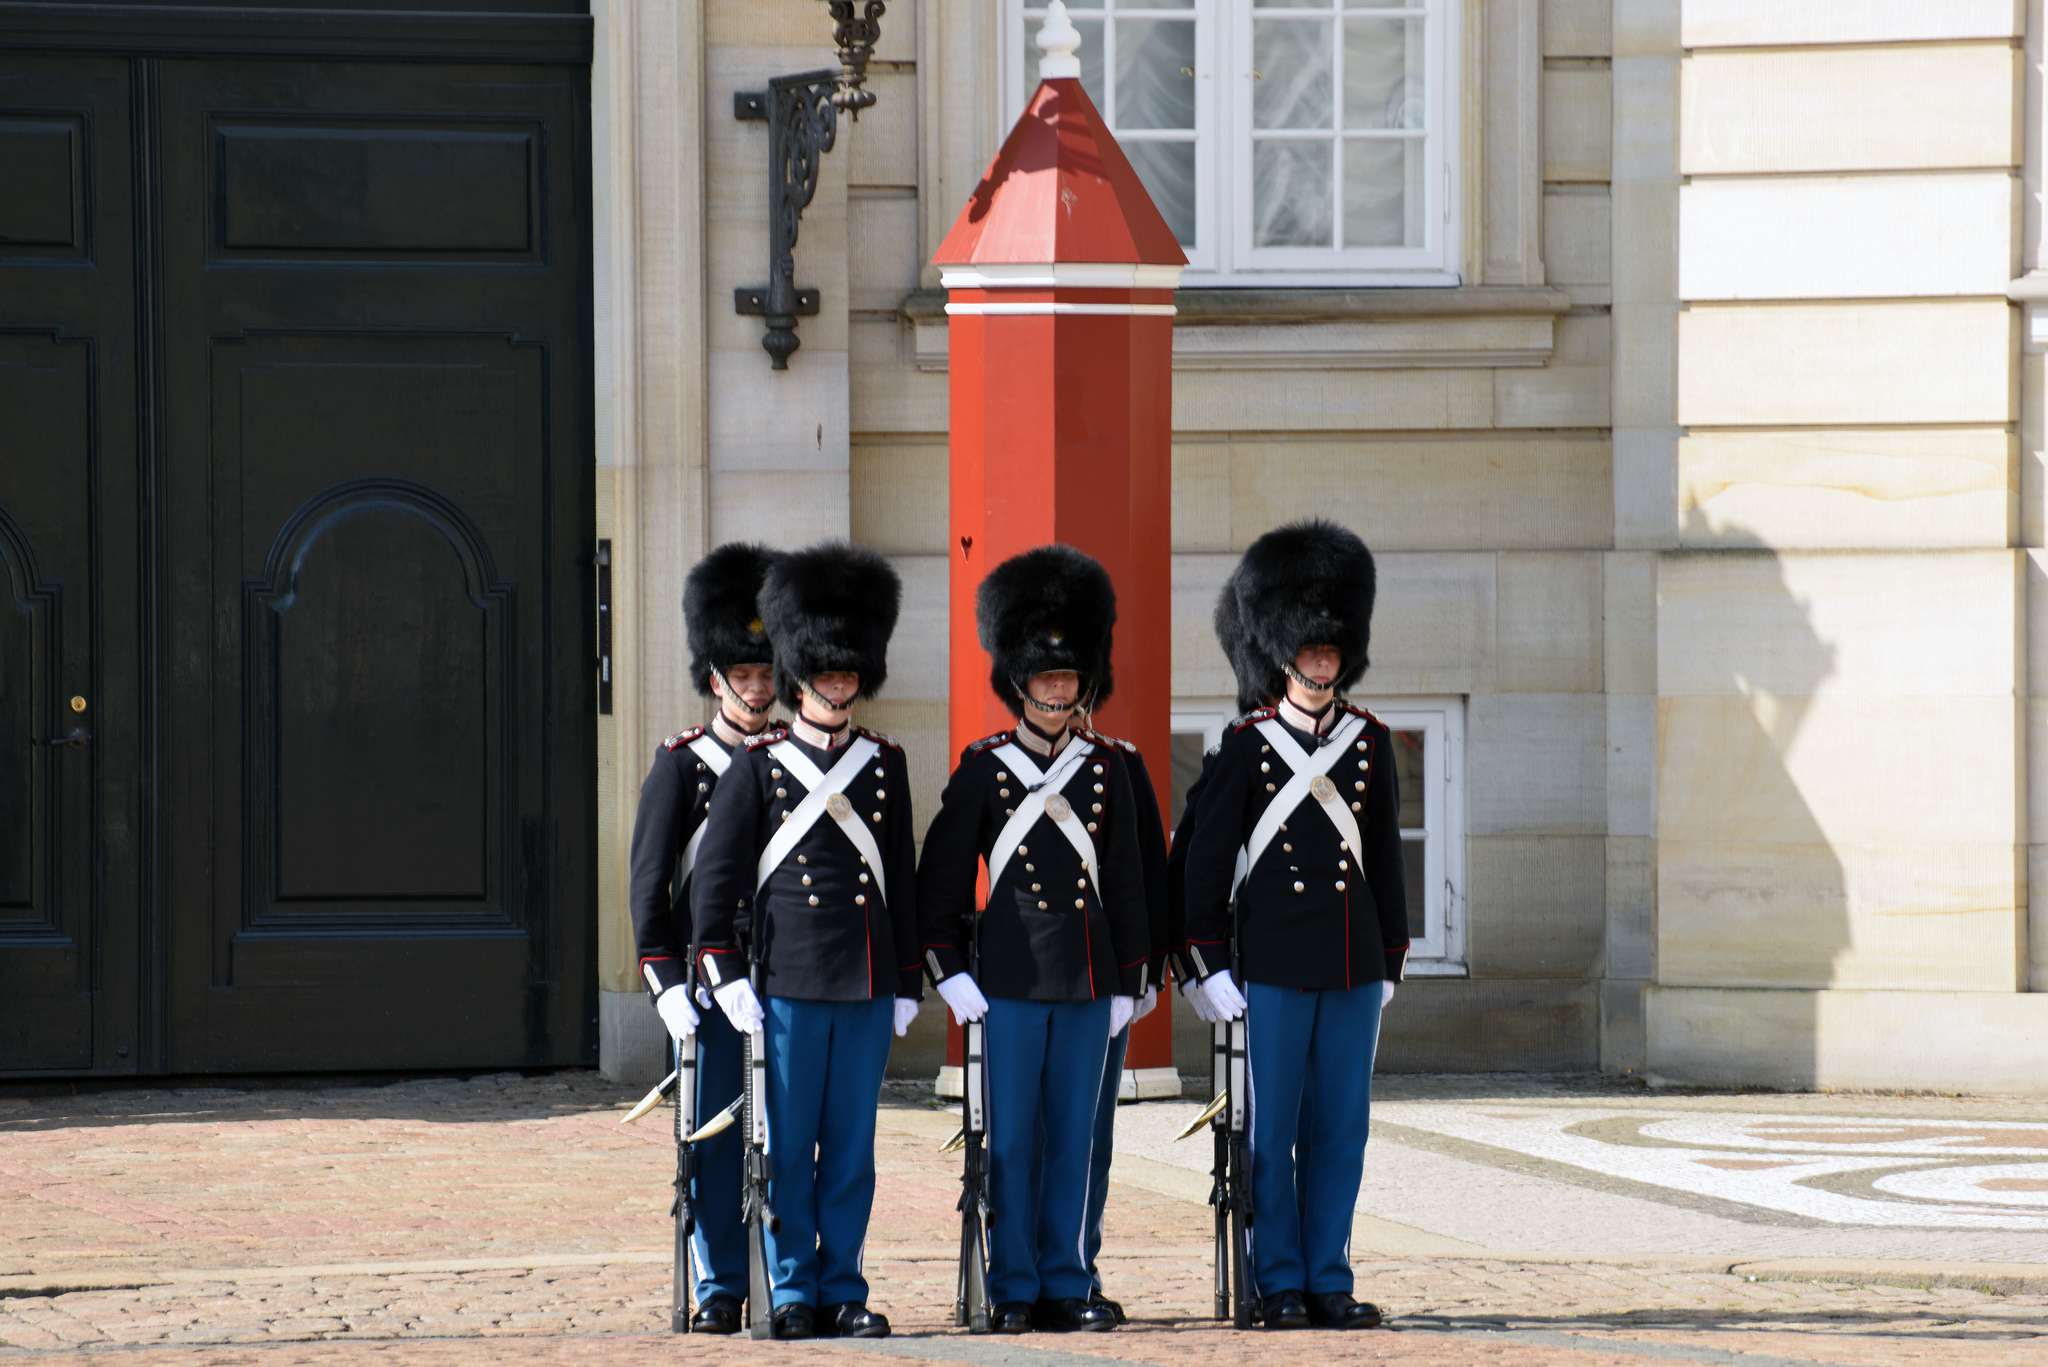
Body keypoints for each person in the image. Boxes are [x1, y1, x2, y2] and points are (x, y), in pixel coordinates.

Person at [689, 541, 921, 1341]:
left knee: (851, 1151)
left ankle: (843, 1285)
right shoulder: (757, 767)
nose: (838, 681)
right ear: (800, 673)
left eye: (849, 670)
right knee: (788, 1149)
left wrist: (906, 981)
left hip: (860, 984)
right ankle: (790, 1288)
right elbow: (716, 887)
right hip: (785, 983)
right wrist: (723, 973)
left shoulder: (884, 765)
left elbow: (902, 880)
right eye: (825, 671)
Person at [916, 544, 1150, 1335]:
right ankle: (1013, 1282)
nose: (1058, 689)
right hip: (1010, 981)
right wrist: (948, 969)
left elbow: (1126, 879)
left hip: (1086, 982)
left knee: (1078, 1142)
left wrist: (1129, 979)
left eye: (1068, 678)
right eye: (1045, 678)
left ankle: (1068, 1277)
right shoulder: (984, 769)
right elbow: (943, 878)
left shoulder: (1110, 769)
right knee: (1011, 1141)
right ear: (1019, 682)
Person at [1180, 520, 1406, 1332]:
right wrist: (1206, 963)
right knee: (1271, 1131)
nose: (1320, 658)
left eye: (1330, 647)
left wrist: (1389, 961)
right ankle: (1277, 1276)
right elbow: (1205, 865)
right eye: (1307, 646)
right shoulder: (1246, 747)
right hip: (1271, 964)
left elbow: (1384, 861)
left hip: (1349, 962)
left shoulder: (1371, 743)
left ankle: (1327, 1273)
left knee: (1341, 1129)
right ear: (1282, 650)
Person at [627, 541, 781, 1335]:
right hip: (706, 983)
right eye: (744, 675)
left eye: (765, 674)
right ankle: (720, 1282)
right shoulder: (682, 765)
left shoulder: (795, 758)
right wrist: (664, 985)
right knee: (716, 1136)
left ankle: (781, 1277)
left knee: (785, 1136)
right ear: (716, 677)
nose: (757, 688)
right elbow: (650, 885)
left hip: (781, 970)